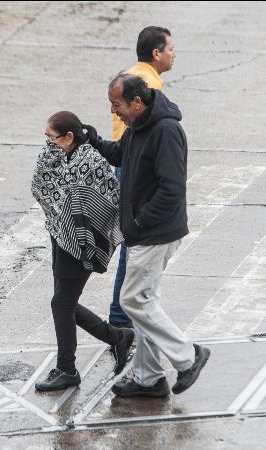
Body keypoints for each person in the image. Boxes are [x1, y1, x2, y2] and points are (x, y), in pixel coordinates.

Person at [92, 73, 210, 398]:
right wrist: (92, 140)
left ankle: (188, 356)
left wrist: (141, 222)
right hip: (143, 233)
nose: (115, 111)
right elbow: (120, 154)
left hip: (155, 234)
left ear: (138, 102)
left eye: (117, 105)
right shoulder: (138, 127)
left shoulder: (166, 131)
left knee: (132, 299)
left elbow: (172, 189)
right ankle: (148, 378)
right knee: (143, 302)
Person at [31, 111, 135, 391]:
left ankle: (67, 369)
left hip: (82, 242)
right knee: (64, 303)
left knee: (61, 304)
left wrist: (80, 228)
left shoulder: (91, 162)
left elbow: (105, 202)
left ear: (68, 137)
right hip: (59, 234)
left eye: (51, 138)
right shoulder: (55, 156)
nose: (47, 144)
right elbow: (41, 186)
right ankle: (118, 337)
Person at [109, 26, 177, 330]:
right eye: (171, 49)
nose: (174, 55)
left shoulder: (132, 75)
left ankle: (122, 316)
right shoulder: (148, 85)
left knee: (131, 244)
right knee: (134, 245)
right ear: (156, 53)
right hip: (135, 167)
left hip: (125, 162)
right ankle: (122, 318)